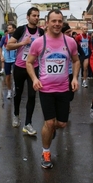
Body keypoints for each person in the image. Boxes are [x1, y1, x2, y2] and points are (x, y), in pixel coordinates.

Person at [26, 9, 80, 169]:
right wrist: (35, 79)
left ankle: (50, 131)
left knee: (61, 124)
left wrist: (75, 78)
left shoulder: (69, 42)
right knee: (49, 122)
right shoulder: (39, 42)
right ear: (47, 23)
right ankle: (46, 152)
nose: (57, 24)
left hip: (64, 89)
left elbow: (76, 61)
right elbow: (29, 62)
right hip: (46, 89)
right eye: (54, 21)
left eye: (59, 21)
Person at [6, 7, 44, 135]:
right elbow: (9, 46)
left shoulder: (41, 32)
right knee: (18, 92)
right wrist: (23, 43)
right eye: (34, 15)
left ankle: (28, 123)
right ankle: (16, 114)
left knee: (32, 95)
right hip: (20, 66)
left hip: (34, 67)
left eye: (38, 15)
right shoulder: (21, 30)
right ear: (28, 17)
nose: (36, 18)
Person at [0, 25, 17, 99]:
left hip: (15, 60)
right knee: (8, 76)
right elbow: (0, 47)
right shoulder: (4, 38)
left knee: (16, 76)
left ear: (14, 29)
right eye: (8, 28)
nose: (8, 29)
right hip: (7, 60)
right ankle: (9, 92)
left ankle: (15, 87)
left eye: (10, 28)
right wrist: (1, 56)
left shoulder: (18, 38)